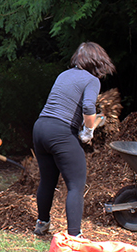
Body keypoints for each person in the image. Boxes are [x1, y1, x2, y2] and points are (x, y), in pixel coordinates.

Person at [32, 42, 115, 237]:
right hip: (60, 133)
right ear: (98, 62)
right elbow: (88, 108)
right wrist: (88, 131)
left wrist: (92, 123)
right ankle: (74, 236)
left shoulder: (64, 75)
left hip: (41, 128)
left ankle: (42, 223)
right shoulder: (92, 80)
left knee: (47, 181)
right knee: (76, 186)